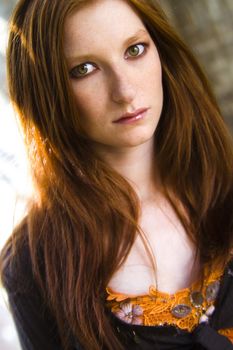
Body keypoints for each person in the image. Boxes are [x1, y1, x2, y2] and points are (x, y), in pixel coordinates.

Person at [1, 0, 233, 349]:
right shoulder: (33, 265)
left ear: (161, 51)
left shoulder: (226, 180)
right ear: (46, 91)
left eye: (135, 50)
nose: (125, 91)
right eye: (84, 69)